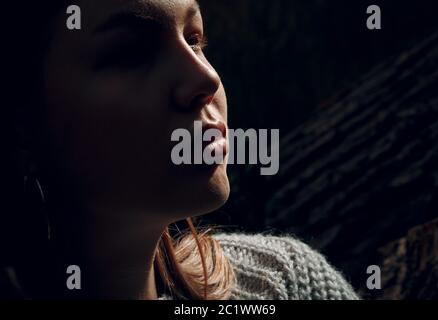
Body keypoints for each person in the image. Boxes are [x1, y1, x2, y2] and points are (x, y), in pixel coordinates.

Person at [1, 0, 360, 300]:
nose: (206, 79)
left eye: (195, 40)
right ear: (21, 124)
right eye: (132, 53)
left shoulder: (284, 285)